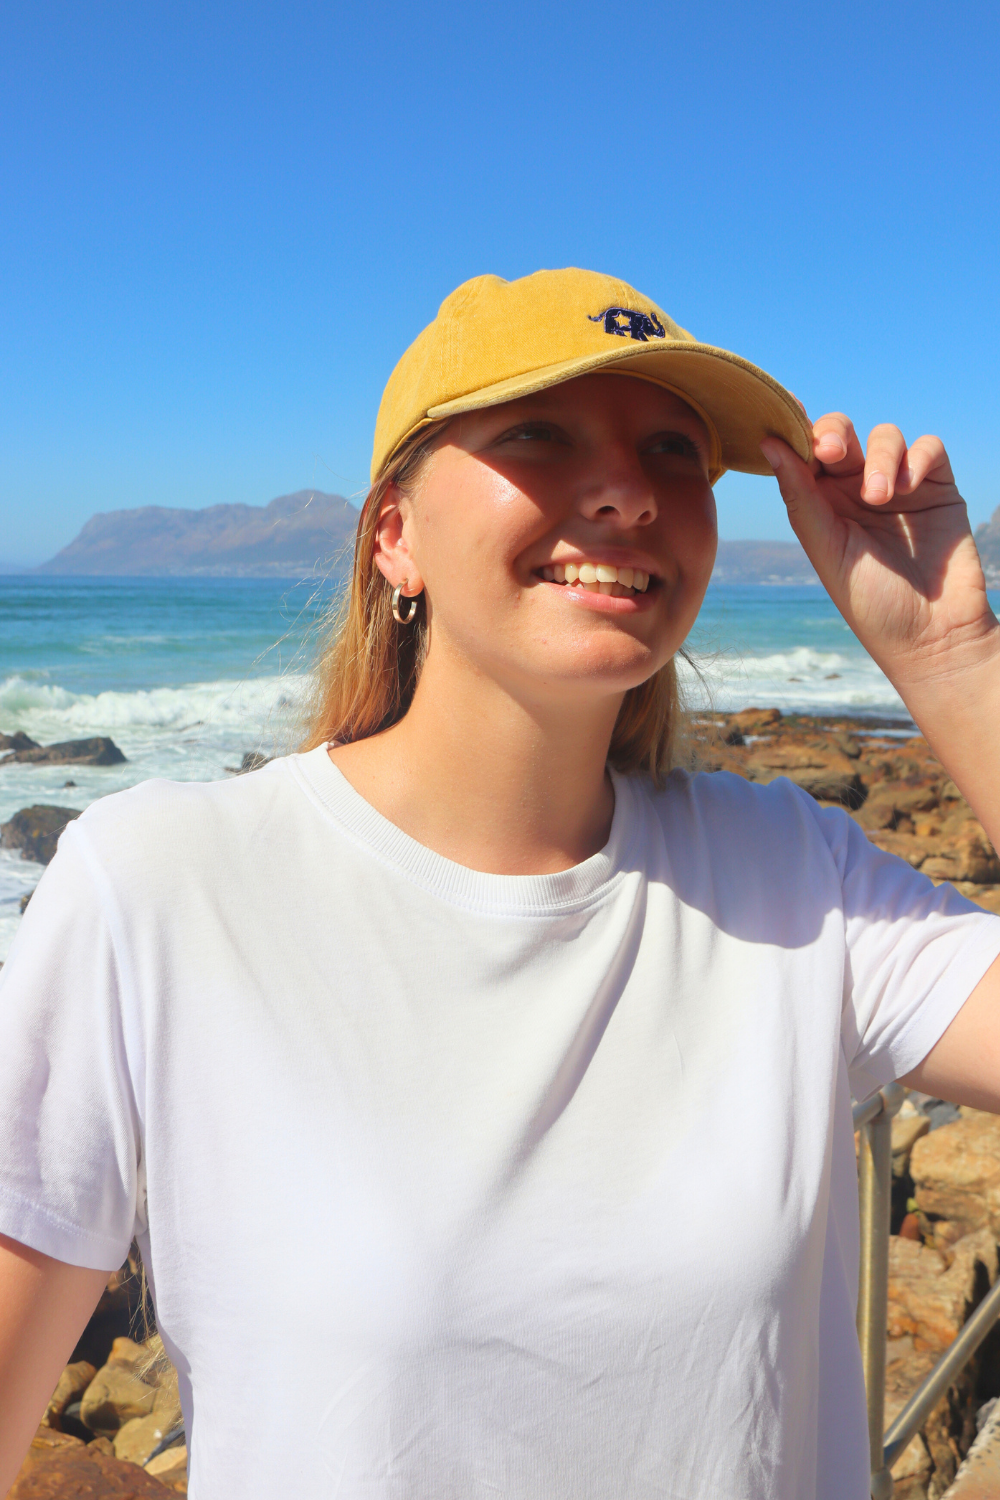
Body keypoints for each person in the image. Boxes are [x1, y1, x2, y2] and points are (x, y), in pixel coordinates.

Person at [1, 267, 999, 1500]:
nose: (630, 490)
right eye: (539, 432)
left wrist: (952, 662)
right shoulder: (161, 888)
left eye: (674, 450)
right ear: (395, 535)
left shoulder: (794, 878)